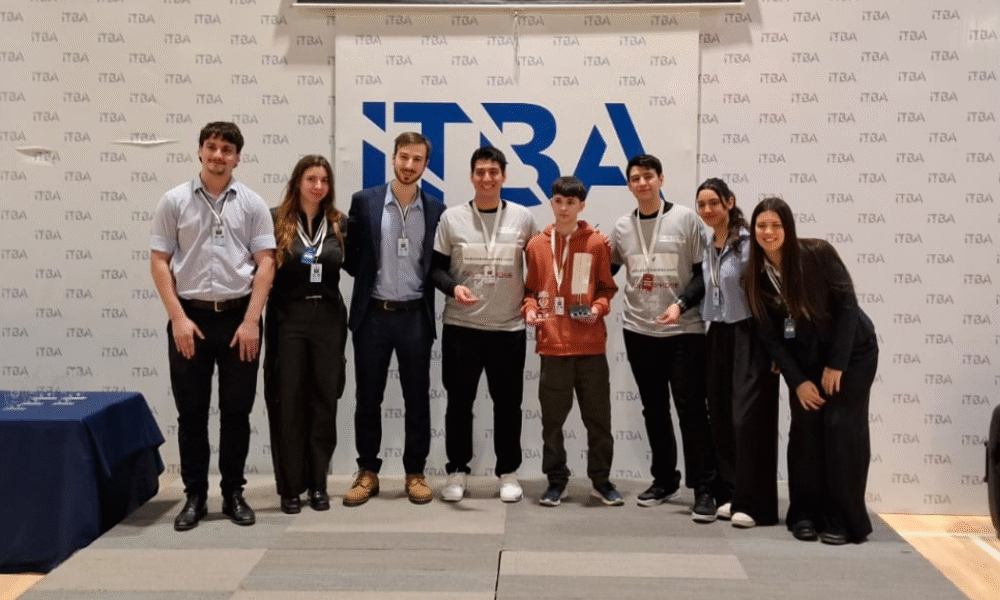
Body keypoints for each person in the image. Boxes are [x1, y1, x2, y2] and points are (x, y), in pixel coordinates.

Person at [150, 121, 276, 531]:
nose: (218, 155)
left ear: (237, 157)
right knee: (192, 415)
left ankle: (234, 494)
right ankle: (195, 497)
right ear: (200, 151)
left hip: (240, 321)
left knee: (236, 413)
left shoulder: (252, 204)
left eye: (227, 149)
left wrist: (252, 320)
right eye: (212, 147)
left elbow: (266, 263)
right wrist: (178, 318)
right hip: (191, 319)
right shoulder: (174, 201)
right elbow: (159, 262)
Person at [743, 197, 878, 545]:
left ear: (788, 228)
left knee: (840, 429)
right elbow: (770, 337)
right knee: (804, 432)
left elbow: (848, 307)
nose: (768, 232)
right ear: (753, 230)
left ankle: (844, 520)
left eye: (776, 225)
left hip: (852, 354)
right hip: (803, 361)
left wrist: (837, 364)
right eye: (761, 226)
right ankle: (804, 514)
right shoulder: (754, 276)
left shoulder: (818, 253)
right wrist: (799, 381)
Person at [609, 153, 717, 522]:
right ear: (629, 185)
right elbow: (606, 272)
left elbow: (705, 274)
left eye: (648, 176)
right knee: (654, 409)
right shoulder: (622, 226)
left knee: (692, 410)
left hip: (683, 331)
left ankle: (703, 488)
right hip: (639, 330)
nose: (642, 183)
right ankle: (664, 480)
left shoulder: (686, 218)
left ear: (661, 179)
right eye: (635, 178)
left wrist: (682, 304)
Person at [341, 131, 447, 506]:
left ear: (426, 165)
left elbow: (435, 264)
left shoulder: (436, 209)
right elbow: (352, 257)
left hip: (415, 315)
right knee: (368, 397)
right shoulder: (365, 201)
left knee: (417, 398)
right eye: (404, 157)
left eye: (417, 159)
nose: (409, 165)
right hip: (373, 315)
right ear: (393, 157)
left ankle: (415, 473)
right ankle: (367, 471)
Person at [432, 147, 536, 503]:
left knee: (508, 405)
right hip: (462, 327)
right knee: (459, 403)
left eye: (493, 172)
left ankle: (508, 473)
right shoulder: (452, 218)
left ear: (504, 176)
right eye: (480, 172)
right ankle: (457, 471)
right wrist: (452, 287)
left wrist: (533, 301)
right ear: (471, 176)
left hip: (508, 329)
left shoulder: (523, 218)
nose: (487, 178)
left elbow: (538, 266)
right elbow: (435, 269)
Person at [522, 176, 620, 507]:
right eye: (559, 201)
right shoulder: (536, 245)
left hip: (590, 348)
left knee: (599, 421)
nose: (564, 208)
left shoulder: (596, 243)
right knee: (552, 423)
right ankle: (556, 481)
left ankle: (601, 481)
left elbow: (606, 289)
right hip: (552, 348)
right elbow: (530, 291)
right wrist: (530, 310)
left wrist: (597, 308)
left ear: (581, 205)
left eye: (571, 202)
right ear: (551, 203)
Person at [263, 155, 348, 514]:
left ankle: (318, 484)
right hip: (288, 318)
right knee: (288, 402)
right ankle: (290, 488)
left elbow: (358, 264)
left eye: (324, 180)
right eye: (311, 179)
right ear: (298, 181)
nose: (318, 186)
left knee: (324, 402)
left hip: (328, 318)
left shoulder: (339, 222)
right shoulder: (274, 220)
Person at [695, 178, 780, 529]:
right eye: (702, 204)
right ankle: (730, 494)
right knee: (721, 416)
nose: (707, 210)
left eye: (714, 203)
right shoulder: (708, 243)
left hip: (750, 333)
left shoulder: (749, 243)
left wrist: (778, 348)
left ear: (729, 202)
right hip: (718, 333)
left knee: (748, 419)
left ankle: (755, 503)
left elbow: (771, 293)